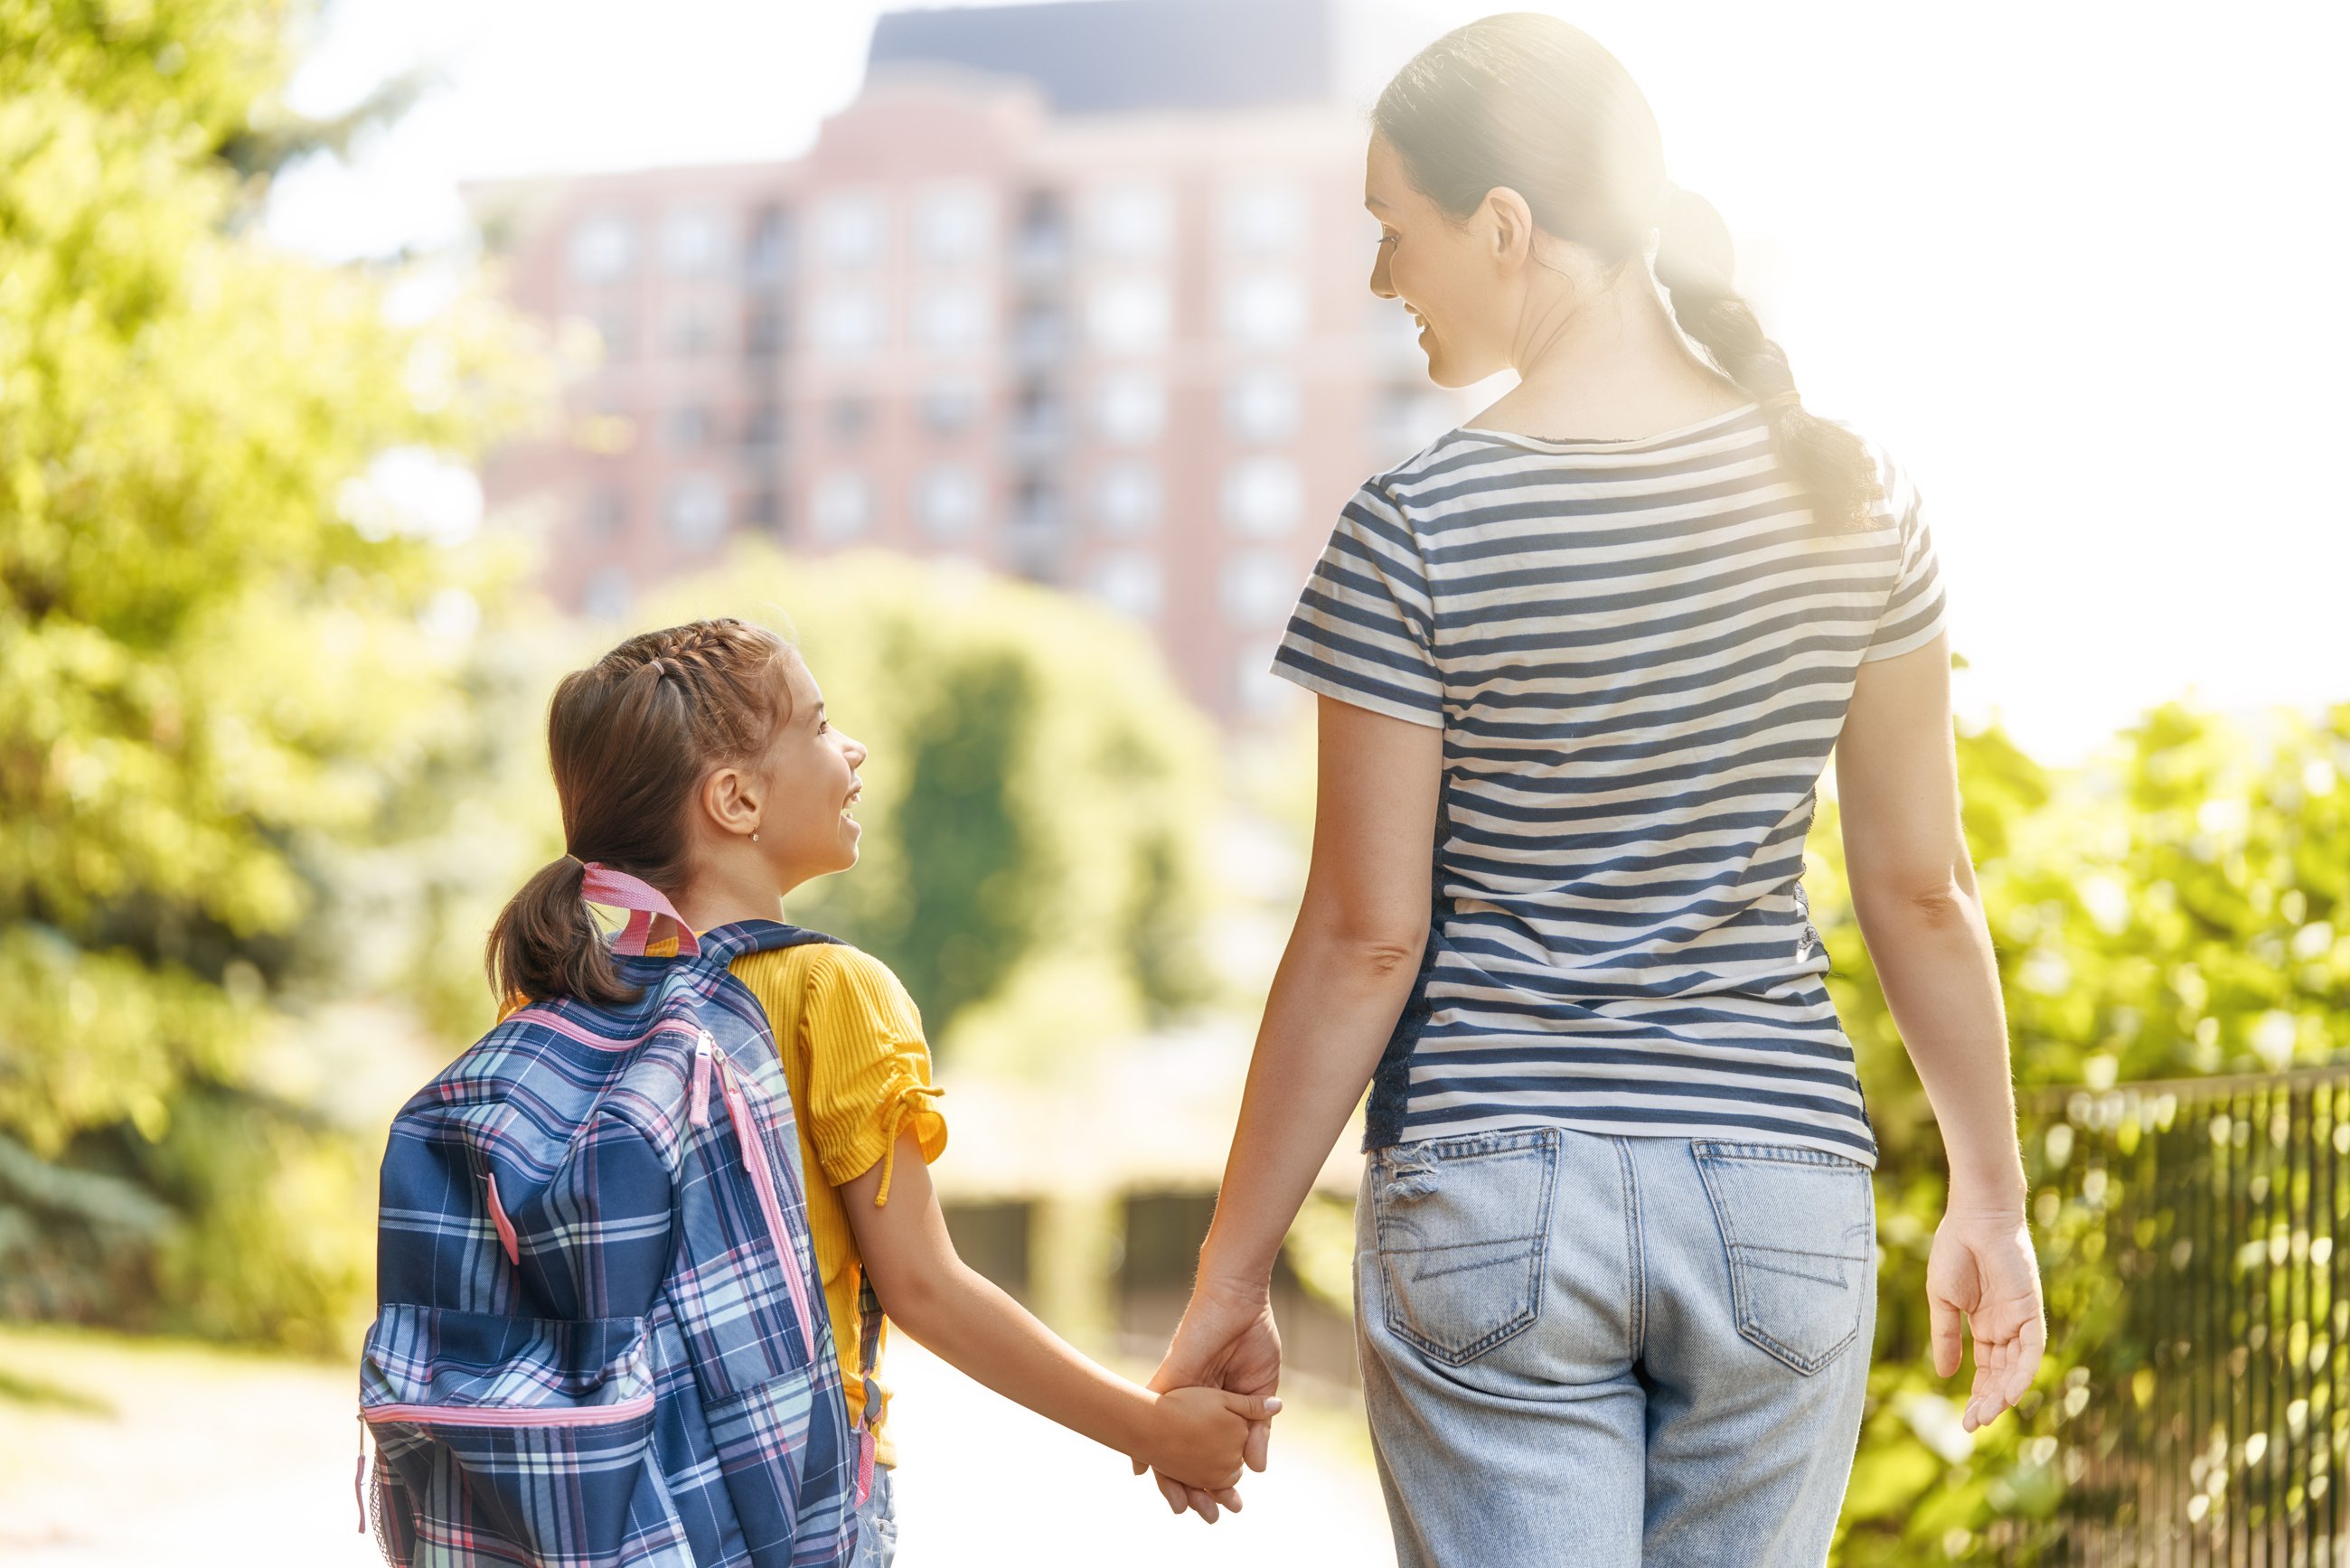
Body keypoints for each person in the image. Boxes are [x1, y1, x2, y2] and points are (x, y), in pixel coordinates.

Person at [1142, 15, 2046, 1565]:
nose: (1380, 279)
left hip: (1498, 1198)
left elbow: (1367, 938)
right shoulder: (1854, 499)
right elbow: (1920, 888)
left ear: (1506, 225)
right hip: (1779, 1191)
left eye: (1393, 229)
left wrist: (1229, 1275)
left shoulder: (1416, 527)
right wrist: (1993, 1196)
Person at [488, 618, 1275, 1565]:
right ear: (734, 798)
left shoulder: (553, 999)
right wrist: (1150, 1427)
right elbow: (925, 1288)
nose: (851, 747)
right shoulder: (829, 992)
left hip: (591, 1500)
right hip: (778, 1505)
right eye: (820, 727)